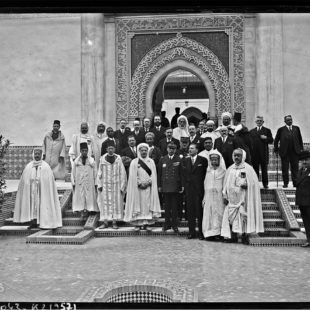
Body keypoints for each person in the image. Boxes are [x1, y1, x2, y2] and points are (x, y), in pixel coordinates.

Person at [221, 148, 264, 243]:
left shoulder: (248, 169)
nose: (236, 157)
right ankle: (233, 236)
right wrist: (225, 195)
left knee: (243, 217)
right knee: (231, 218)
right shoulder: (230, 169)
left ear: (243, 156)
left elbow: (254, 184)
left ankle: (245, 236)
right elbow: (225, 184)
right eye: (235, 155)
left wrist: (247, 184)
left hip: (244, 198)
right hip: (232, 199)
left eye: (238, 155)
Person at [13, 148, 62, 229]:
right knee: (33, 206)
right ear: (33, 154)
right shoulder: (28, 166)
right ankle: (33, 223)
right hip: (32, 191)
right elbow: (24, 181)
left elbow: (48, 181)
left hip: (43, 192)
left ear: (41, 155)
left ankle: (43, 222)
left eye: (38, 154)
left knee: (42, 205)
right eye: (35, 154)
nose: (37, 155)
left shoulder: (46, 167)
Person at [124, 143, 161, 231]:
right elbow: (133, 175)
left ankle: (147, 223)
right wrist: (139, 183)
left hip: (148, 187)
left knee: (147, 204)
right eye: (142, 150)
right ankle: (137, 224)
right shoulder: (134, 162)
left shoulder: (151, 161)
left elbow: (153, 175)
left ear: (147, 151)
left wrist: (148, 183)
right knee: (138, 204)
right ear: (139, 151)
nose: (144, 152)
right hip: (138, 187)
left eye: (145, 150)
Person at [97, 143, 127, 229]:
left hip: (116, 185)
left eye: (112, 148)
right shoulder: (102, 159)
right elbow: (99, 172)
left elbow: (123, 173)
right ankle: (105, 222)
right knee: (105, 203)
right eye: (109, 148)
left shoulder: (118, 159)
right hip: (105, 185)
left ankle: (114, 222)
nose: (110, 150)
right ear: (106, 149)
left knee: (116, 203)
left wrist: (122, 186)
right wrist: (99, 184)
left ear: (114, 149)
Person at [182, 143, 208, 240]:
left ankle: (201, 232)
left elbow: (205, 174)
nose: (190, 150)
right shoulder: (185, 160)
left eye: (192, 148)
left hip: (199, 190)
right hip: (189, 190)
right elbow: (183, 174)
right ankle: (191, 232)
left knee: (200, 212)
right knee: (190, 212)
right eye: (189, 148)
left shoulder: (203, 160)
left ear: (197, 150)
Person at [158, 142, 183, 233]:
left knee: (175, 207)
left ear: (175, 150)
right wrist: (159, 185)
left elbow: (181, 173)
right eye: (170, 148)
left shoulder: (179, 159)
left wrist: (182, 185)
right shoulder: (162, 159)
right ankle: (167, 224)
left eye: (173, 148)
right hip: (165, 186)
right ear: (167, 149)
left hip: (175, 186)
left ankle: (174, 225)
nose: (171, 150)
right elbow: (159, 174)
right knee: (167, 207)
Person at [202, 150, 226, 241]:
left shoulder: (223, 171)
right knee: (209, 214)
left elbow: (225, 185)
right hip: (209, 197)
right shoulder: (208, 171)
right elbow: (205, 184)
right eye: (212, 159)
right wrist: (204, 197)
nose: (214, 161)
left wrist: (224, 196)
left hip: (219, 197)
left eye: (216, 159)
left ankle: (218, 233)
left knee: (219, 214)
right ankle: (209, 234)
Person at [274, 115, 304, 188]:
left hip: (295, 152)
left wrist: (301, 148)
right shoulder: (281, 129)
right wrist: (276, 149)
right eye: (288, 120)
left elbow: (300, 139)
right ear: (285, 121)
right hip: (285, 152)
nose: (290, 121)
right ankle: (285, 183)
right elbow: (276, 140)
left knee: (295, 169)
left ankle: (295, 183)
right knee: (285, 169)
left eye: (291, 119)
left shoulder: (296, 128)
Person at [71, 142, 99, 217]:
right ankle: (82, 211)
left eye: (86, 150)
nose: (84, 152)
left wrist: (96, 182)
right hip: (80, 182)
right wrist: (73, 182)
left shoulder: (92, 161)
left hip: (89, 182)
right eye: (83, 150)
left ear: (87, 151)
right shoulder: (76, 162)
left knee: (89, 195)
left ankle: (90, 210)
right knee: (80, 195)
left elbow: (95, 172)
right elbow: (73, 172)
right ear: (80, 151)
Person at [249, 116, 274, 189]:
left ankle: (265, 184)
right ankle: (256, 183)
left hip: (263, 153)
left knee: (264, 170)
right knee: (255, 169)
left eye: (260, 121)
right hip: (254, 154)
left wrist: (266, 138)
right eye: (258, 121)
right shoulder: (252, 131)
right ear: (256, 122)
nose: (259, 122)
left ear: (263, 122)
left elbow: (271, 140)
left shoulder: (267, 130)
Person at [295, 150, 310, 247]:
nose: (304, 162)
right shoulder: (300, 171)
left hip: (309, 201)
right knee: (306, 222)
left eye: (307, 159)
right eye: (302, 160)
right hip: (302, 201)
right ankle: (309, 240)